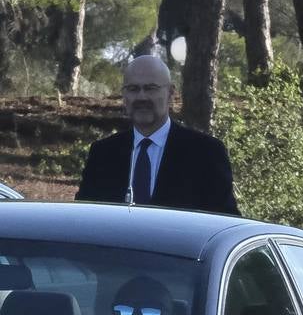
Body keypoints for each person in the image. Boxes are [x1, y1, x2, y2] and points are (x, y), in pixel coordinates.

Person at [76, 55, 240, 215]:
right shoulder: (103, 154)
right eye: (133, 89)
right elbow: (83, 218)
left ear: (171, 93)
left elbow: (226, 221)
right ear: (124, 96)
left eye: (150, 88)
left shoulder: (205, 153)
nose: (141, 97)